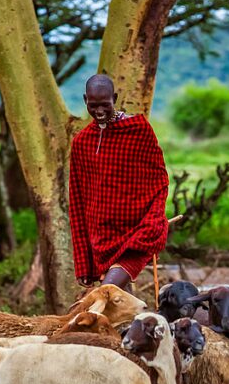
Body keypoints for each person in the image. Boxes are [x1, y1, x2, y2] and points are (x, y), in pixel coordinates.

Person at [68, 74, 170, 292]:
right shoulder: (81, 142)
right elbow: (78, 202)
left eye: (105, 104)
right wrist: (83, 262)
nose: (99, 111)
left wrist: (154, 219)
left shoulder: (138, 131)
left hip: (137, 234)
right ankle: (132, 326)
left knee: (105, 295)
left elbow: (160, 182)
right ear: (85, 100)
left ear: (114, 98)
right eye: (93, 105)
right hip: (101, 241)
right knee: (119, 305)